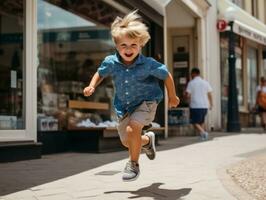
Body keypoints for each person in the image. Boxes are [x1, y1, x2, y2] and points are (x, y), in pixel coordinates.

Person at [83, 10, 180, 181]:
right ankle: (147, 141)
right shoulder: (111, 62)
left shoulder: (148, 64)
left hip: (147, 102)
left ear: (141, 44)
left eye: (133, 45)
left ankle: (133, 164)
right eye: (123, 45)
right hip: (124, 106)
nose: (128, 49)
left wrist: (172, 96)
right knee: (128, 141)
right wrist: (91, 85)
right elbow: (100, 73)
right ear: (117, 45)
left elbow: (166, 75)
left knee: (132, 128)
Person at [185, 68, 213, 140]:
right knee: (201, 121)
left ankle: (204, 133)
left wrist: (187, 101)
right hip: (205, 105)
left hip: (195, 105)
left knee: (194, 122)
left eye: (191, 74)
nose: (191, 75)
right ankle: (202, 136)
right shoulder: (205, 82)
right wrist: (211, 104)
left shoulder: (191, 83)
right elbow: (210, 94)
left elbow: (188, 95)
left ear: (194, 73)